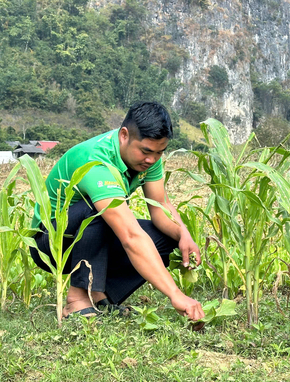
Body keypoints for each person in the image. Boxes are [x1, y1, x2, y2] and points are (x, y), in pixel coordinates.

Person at [29, 101, 204, 321]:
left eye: (160, 152)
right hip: (52, 243)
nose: (152, 159)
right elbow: (130, 236)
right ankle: (77, 300)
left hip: (95, 238)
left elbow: (161, 206)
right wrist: (175, 294)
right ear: (124, 135)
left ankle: (101, 297)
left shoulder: (150, 159)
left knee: (168, 238)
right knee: (101, 209)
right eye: (146, 151)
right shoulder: (96, 161)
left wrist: (183, 234)